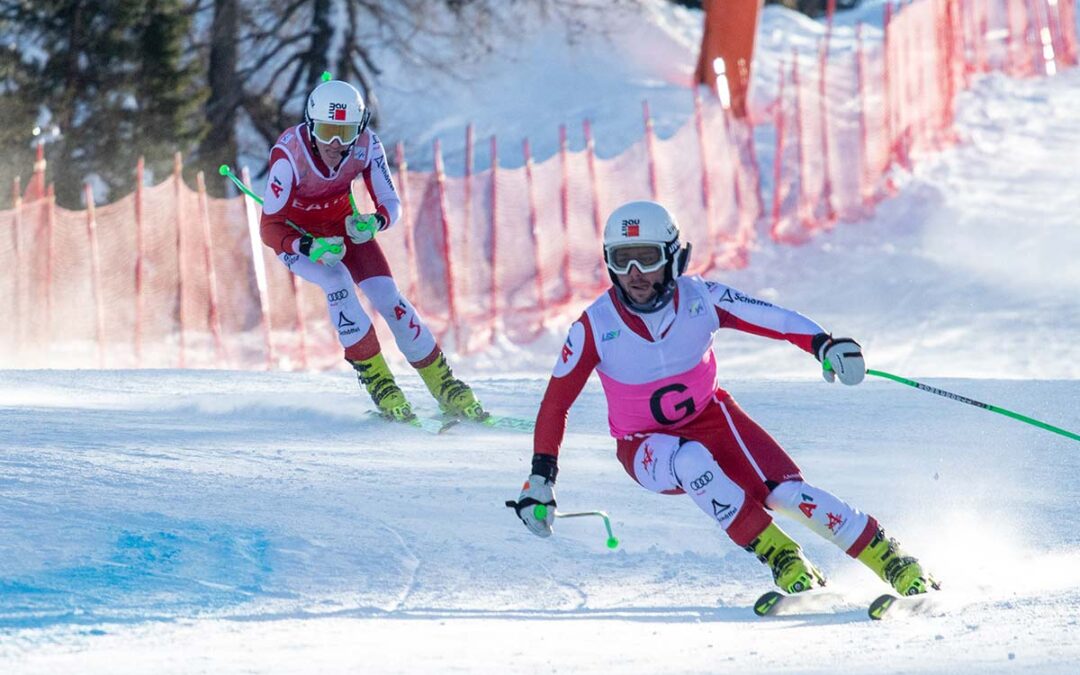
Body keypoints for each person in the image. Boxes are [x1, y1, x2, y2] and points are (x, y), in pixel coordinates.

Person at [509, 200, 938, 597]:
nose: (636, 272)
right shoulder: (594, 327)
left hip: (713, 419)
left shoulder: (701, 299)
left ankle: (889, 558)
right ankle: (781, 555)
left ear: (674, 257)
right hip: (642, 445)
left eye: (648, 257)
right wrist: (541, 479)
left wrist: (824, 345)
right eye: (623, 260)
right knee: (690, 459)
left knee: (786, 493)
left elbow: (771, 317)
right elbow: (555, 404)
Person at [259, 77, 486, 423]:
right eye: (325, 131)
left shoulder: (367, 145)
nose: (335, 144)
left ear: (359, 129)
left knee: (388, 296)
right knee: (336, 282)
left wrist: (373, 223)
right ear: (310, 125)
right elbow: (268, 227)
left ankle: (445, 384)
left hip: (344, 229)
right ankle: (381, 384)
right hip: (296, 238)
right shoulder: (289, 155)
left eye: (345, 132)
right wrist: (307, 245)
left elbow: (390, 203)